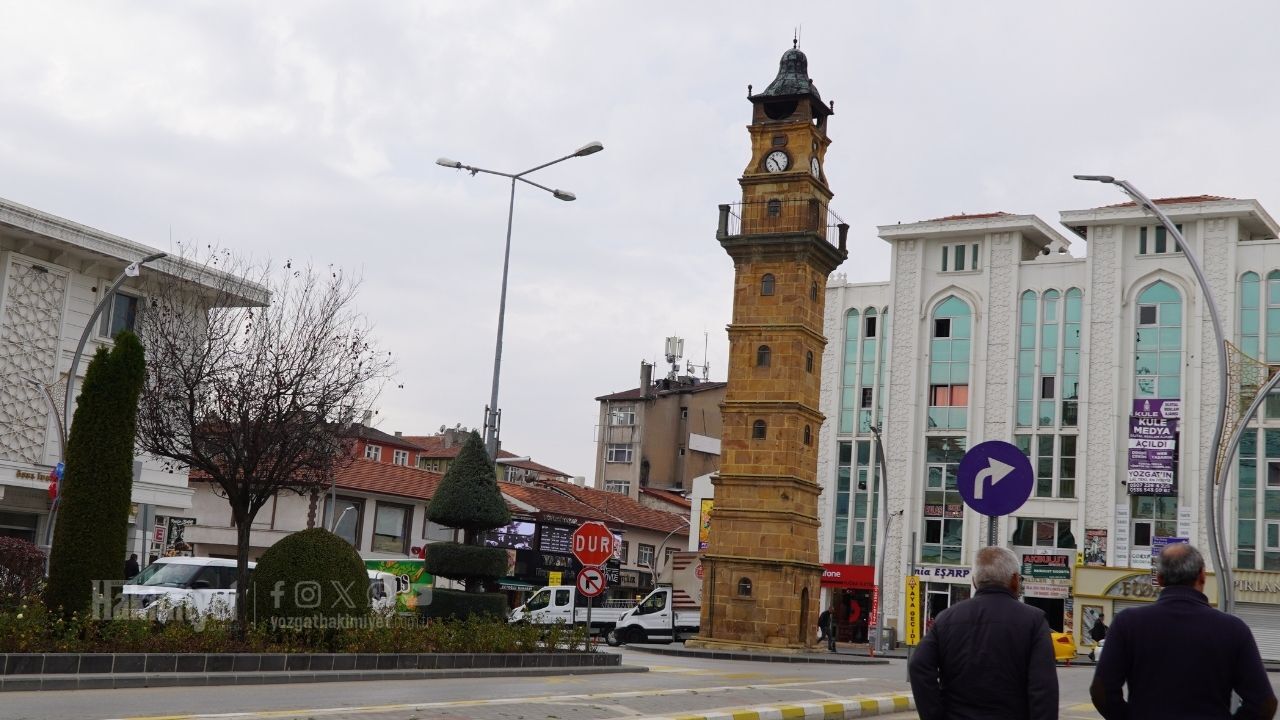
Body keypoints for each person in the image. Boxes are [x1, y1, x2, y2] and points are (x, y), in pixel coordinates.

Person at [1090, 543, 1277, 720]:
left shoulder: (1127, 623)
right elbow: (1264, 703)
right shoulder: (1233, 629)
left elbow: (1101, 691)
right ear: (1202, 575)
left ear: (1160, 578)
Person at [909, 546, 1058, 720]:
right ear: (1015, 580)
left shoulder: (945, 619)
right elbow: (1043, 689)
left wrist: (935, 715)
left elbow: (918, 666)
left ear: (974, 581)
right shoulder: (1034, 621)